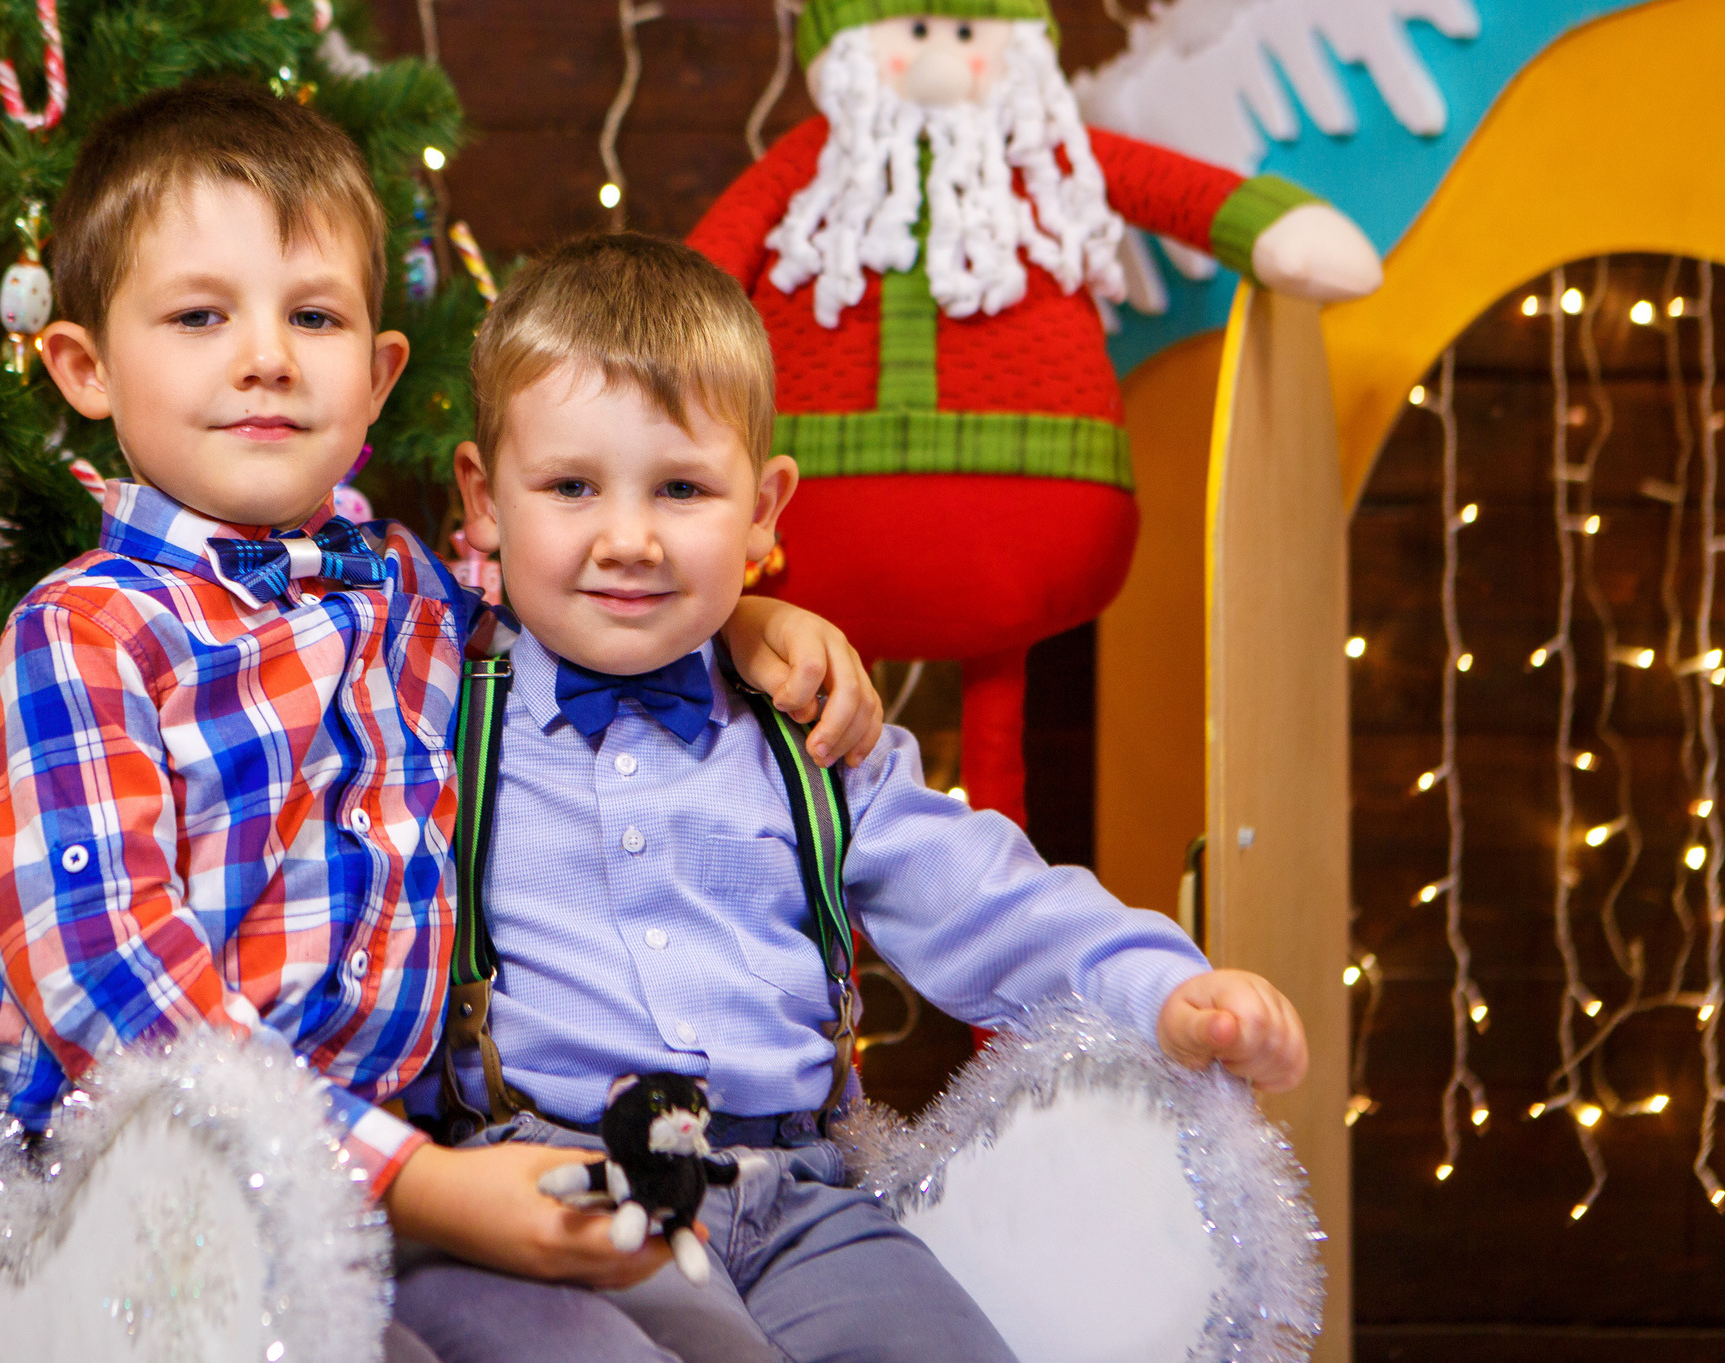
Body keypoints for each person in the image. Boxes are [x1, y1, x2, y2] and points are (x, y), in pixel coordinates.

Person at [0, 80, 887, 1355]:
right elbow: (117, 997)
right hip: (159, 1201)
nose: (266, 356)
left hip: (419, 1177)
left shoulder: (409, 593)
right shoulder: (84, 642)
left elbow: (587, 606)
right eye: (200, 315)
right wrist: (417, 1182)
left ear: (381, 371)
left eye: (314, 315)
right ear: (84, 368)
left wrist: (743, 620)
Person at [391, 233, 1309, 1363]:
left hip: (797, 1198)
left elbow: (988, 899)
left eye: (682, 489)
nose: (628, 540)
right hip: (547, 1186)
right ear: (483, 499)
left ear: (763, 509)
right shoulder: (428, 709)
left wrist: (1165, 985)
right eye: (571, 487)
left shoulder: (810, 733)